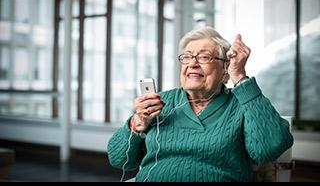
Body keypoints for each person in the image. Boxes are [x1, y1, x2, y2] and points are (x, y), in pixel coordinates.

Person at [107, 26, 294, 182]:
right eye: (187, 57)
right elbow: (119, 159)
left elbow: (269, 149)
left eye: (204, 57)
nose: (193, 64)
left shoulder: (242, 103)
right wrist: (137, 124)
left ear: (225, 71)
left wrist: (241, 78)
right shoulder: (159, 102)